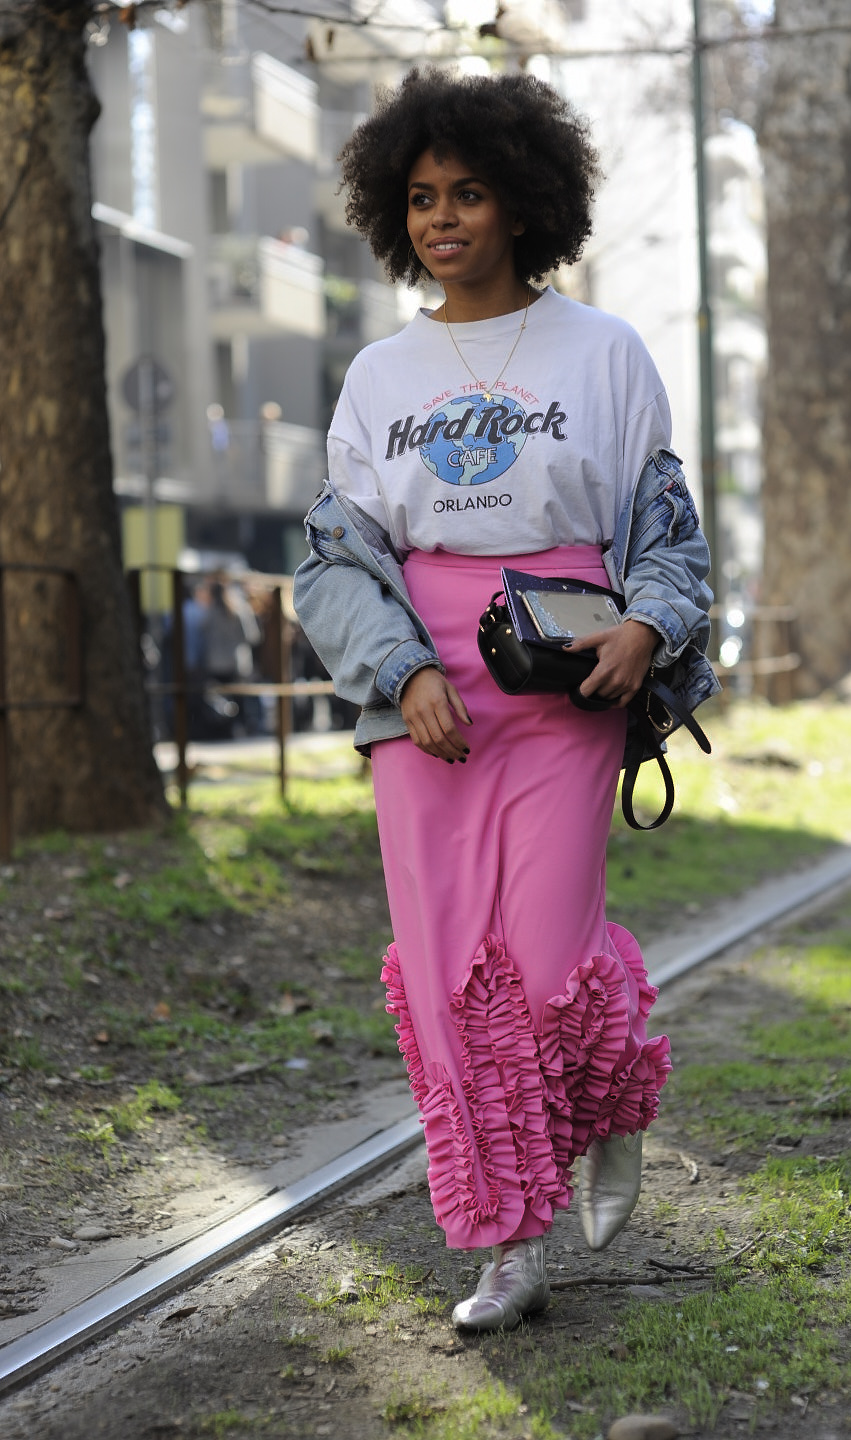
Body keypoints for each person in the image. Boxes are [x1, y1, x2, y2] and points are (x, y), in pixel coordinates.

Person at [293, 68, 718, 1332]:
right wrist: (404, 672)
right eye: (420, 197)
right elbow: (333, 559)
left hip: (566, 683)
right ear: (392, 214)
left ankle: (610, 1100)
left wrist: (648, 623)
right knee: (442, 984)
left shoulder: (607, 350)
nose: (442, 217)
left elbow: (667, 528)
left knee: (536, 974)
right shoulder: (377, 375)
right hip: (424, 699)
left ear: (523, 201)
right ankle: (507, 1243)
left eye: (469, 192)